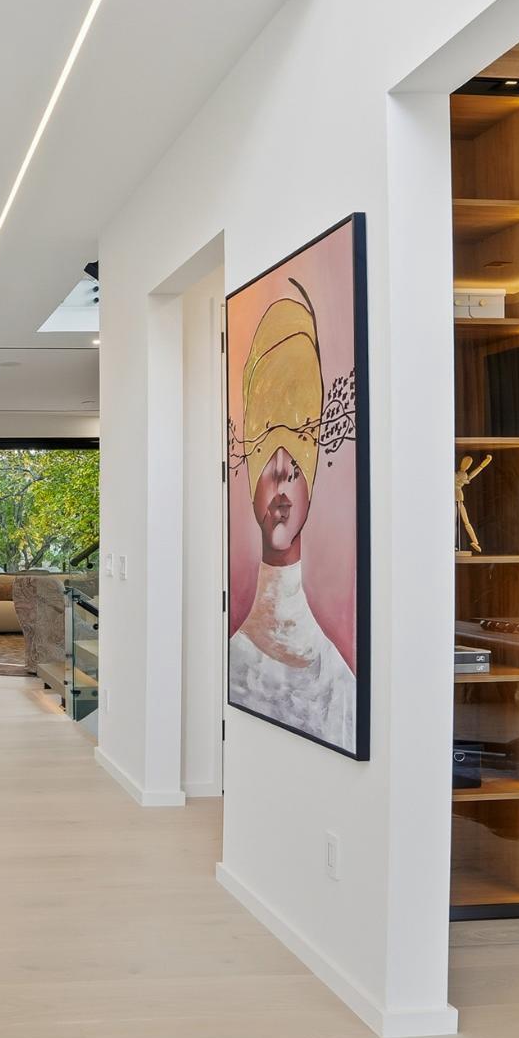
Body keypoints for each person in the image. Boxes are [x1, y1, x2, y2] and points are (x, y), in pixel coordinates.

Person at [228, 292, 356, 751]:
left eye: (296, 471)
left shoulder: (341, 686)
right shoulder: (233, 661)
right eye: (268, 468)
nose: (282, 489)